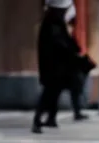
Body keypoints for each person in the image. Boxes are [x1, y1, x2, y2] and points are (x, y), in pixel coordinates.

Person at [32, 0, 79, 134]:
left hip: (57, 66)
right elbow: (59, 43)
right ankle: (37, 120)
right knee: (49, 92)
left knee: (54, 91)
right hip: (53, 66)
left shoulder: (55, 23)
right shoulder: (52, 24)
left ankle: (51, 118)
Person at [64, 4, 95, 121]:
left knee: (74, 91)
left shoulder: (69, 32)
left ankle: (76, 112)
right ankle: (76, 112)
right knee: (56, 92)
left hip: (71, 66)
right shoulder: (66, 31)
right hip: (68, 67)